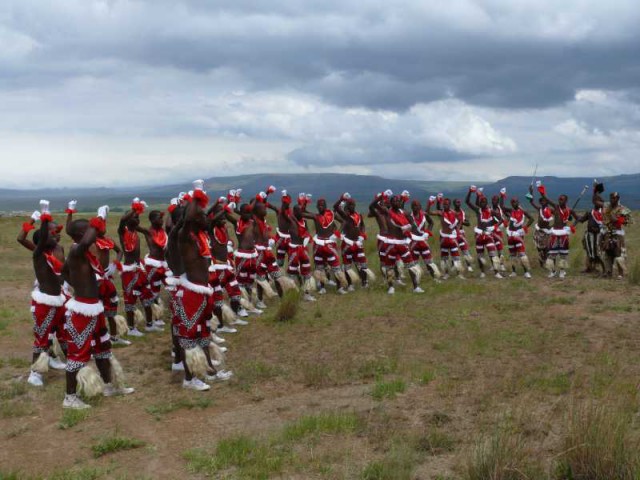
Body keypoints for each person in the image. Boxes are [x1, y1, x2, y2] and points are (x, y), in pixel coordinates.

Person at [63, 206, 134, 409]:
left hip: (94, 309)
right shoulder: (76, 250)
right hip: (81, 312)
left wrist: (77, 283)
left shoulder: (84, 255)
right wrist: (100, 216)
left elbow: (64, 271)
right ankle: (69, 397)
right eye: (88, 230)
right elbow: (68, 266)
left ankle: (109, 385)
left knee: (103, 349)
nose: (93, 234)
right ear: (79, 235)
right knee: (77, 355)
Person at [176, 180, 232, 391]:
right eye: (200, 216)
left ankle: (209, 370)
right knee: (189, 338)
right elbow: (190, 217)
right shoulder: (184, 236)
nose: (204, 218)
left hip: (202, 292)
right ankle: (189, 379)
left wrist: (213, 206)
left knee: (203, 334)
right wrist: (196, 193)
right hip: (190, 294)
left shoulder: (200, 235)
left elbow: (206, 218)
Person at [17, 201, 67, 387]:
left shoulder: (58, 250)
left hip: (59, 298)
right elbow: (22, 238)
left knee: (61, 332)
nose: (56, 234)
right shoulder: (39, 254)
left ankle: (59, 360)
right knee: (42, 337)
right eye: (52, 233)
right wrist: (40, 218)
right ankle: (35, 372)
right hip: (44, 301)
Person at [66, 201, 129, 346]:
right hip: (94, 280)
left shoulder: (108, 241)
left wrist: (115, 265)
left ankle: (113, 336)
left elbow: (120, 251)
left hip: (107, 276)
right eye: (101, 225)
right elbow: (70, 230)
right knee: (95, 311)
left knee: (111, 309)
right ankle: (94, 341)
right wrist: (70, 211)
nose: (103, 228)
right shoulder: (88, 244)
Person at [117, 199, 159, 336]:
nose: (137, 219)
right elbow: (123, 219)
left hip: (139, 269)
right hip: (129, 271)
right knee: (130, 301)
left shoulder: (136, 230)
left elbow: (147, 230)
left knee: (146, 296)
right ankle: (131, 328)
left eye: (138, 217)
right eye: (134, 217)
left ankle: (149, 324)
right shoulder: (123, 231)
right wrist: (134, 209)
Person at [373, 194, 423, 293]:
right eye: (395, 201)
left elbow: (413, 225)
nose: (397, 202)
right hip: (391, 243)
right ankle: (391, 287)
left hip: (403, 243)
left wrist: (420, 235)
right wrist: (379, 198)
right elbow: (373, 206)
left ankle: (416, 287)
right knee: (389, 267)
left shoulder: (404, 213)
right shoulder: (387, 212)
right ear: (391, 203)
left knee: (411, 265)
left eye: (399, 201)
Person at [303, 198, 348, 294]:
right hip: (318, 244)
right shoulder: (315, 216)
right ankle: (322, 287)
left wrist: (337, 234)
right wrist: (305, 202)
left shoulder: (332, 214)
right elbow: (302, 213)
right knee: (319, 268)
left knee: (336, 267)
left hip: (330, 244)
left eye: (322, 205)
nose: (320, 207)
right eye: (318, 205)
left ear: (326, 206)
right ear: (316, 206)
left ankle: (339, 288)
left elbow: (344, 222)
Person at [536, 181, 577, 279]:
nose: (560, 201)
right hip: (554, 233)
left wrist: (573, 226)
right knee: (551, 254)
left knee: (563, 255)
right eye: (559, 199)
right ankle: (553, 271)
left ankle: (562, 272)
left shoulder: (569, 210)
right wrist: (541, 189)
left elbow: (578, 218)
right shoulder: (556, 207)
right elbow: (546, 199)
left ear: (566, 201)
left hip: (563, 233)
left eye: (562, 199)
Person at [334, 193, 372, 289]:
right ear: (347, 206)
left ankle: (364, 282)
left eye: (353, 205)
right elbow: (335, 207)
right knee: (347, 265)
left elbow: (362, 225)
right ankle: (350, 284)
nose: (351, 206)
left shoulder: (359, 215)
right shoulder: (345, 216)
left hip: (358, 243)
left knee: (362, 263)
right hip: (347, 243)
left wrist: (362, 234)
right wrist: (341, 199)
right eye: (349, 205)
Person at [593, 185, 632, 278]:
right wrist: (596, 191)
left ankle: (620, 273)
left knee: (618, 253)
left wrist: (617, 218)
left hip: (617, 234)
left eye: (614, 198)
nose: (612, 199)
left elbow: (626, 221)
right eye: (611, 198)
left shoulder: (623, 209)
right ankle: (608, 271)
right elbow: (595, 201)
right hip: (606, 233)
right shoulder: (606, 205)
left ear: (618, 198)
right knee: (607, 253)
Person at [465, 186, 503, 279]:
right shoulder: (478, 210)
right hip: (479, 236)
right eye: (481, 202)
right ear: (480, 203)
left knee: (493, 254)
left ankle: (496, 272)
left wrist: (494, 227)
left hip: (489, 236)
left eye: (484, 202)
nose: (483, 203)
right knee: (480, 255)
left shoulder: (491, 211)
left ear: (487, 203)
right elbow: (467, 202)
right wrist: (470, 192)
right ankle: (482, 272)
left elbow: (501, 219)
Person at [427, 196, 465, 279]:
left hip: (452, 237)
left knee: (456, 256)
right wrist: (429, 203)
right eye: (444, 204)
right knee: (444, 257)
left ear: (450, 205)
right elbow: (428, 212)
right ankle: (446, 274)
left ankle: (459, 274)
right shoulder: (440, 212)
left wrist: (457, 229)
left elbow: (460, 219)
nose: (445, 206)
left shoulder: (454, 212)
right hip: (444, 237)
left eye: (447, 204)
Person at [139, 210, 169, 308]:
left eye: (162, 218)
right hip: (153, 266)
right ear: (152, 220)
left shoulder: (164, 232)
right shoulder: (148, 232)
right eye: (159, 218)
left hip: (164, 264)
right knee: (153, 291)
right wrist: (136, 210)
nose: (161, 220)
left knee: (173, 288)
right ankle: (156, 317)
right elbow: (134, 226)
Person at [287, 202, 316, 301]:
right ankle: (291, 295)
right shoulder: (291, 221)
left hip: (303, 249)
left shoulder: (304, 221)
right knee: (292, 272)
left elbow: (306, 232)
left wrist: (307, 237)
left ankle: (307, 294)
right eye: (299, 211)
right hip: (294, 249)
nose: (302, 213)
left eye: (302, 211)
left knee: (306, 271)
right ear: (294, 212)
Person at [501, 195, 534, 278]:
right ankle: (514, 272)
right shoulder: (511, 211)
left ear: (518, 202)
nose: (513, 203)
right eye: (512, 202)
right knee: (512, 255)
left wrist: (525, 227)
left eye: (515, 202)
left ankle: (526, 272)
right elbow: (502, 207)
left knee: (522, 254)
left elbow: (532, 219)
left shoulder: (523, 211)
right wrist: (502, 196)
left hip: (518, 235)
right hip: (510, 235)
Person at [575, 183, 605, 274]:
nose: (595, 200)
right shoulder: (590, 212)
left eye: (597, 199)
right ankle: (589, 268)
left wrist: (595, 191)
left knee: (598, 252)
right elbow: (581, 220)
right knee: (589, 251)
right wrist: (573, 213)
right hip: (589, 235)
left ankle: (604, 269)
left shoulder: (604, 213)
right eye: (594, 199)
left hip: (598, 235)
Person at [409, 199, 441, 281]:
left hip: (423, 241)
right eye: (414, 206)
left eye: (418, 205)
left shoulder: (424, 214)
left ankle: (435, 278)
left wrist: (427, 232)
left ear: (420, 207)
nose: (416, 207)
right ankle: (416, 280)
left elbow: (431, 223)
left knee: (429, 261)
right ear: (411, 207)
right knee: (414, 263)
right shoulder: (409, 216)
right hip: (413, 242)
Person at [527, 185, 554, 268]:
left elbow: (558, 217)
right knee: (539, 248)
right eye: (541, 201)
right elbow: (531, 202)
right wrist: (531, 191)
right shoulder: (539, 209)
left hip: (546, 231)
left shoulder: (550, 210)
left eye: (544, 201)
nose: (543, 202)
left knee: (546, 248)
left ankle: (546, 262)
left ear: (547, 202)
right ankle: (541, 262)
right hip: (539, 231)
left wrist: (552, 226)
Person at [453, 198, 474, 272]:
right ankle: (455, 266)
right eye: (457, 202)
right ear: (454, 204)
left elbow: (468, 223)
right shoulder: (451, 212)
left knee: (465, 250)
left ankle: (469, 266)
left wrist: (461, 221)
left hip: (461, 233)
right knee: (454, 250)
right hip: (453, 233)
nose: (458, 204)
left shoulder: (462, 212)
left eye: (459, 202)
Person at [275, 190, 293, 267]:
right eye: (283, 202)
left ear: (289, 202)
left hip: (290, 238)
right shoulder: (279, 210)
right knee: (280, 262)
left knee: (292, 261)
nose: (285, 203)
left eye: (286, 201)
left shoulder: (292, 212)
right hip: (280, 238)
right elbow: (282, 211)